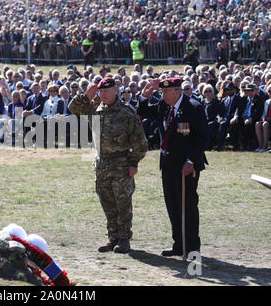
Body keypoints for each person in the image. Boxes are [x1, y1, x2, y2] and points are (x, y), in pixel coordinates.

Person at [68, 77, 148, 254]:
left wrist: (134, 163)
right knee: (107, 203)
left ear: (116, 90)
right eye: (101, 91)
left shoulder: (126, 112)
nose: (103, 94)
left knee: (123, 204)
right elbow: (73, 108)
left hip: (121, 164)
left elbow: (140, 142)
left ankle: (124, 239)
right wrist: (86, 95)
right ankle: (113, 238)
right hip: (102, 164)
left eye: (107, 91)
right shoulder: (95, 108)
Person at [140, 77, 208, 257]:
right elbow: (144, 110)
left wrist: (191, 160)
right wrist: (146, 94)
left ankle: (192, 247)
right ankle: (179, 244)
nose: (162, 95)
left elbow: (202, 137)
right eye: (161, 92)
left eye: (165, 92)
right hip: (168, 164)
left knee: (188, 205)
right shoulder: (164, 105)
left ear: (176, 91)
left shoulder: (194, 107)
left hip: (186, 165)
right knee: (173, 204)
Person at [255, 85, 271, 152]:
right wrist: (263, 118)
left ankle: (265, 146)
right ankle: (260, 145)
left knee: (265, 124)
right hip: (267, 120)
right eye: (269, 91)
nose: (270, 93)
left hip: (269, 121)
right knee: (258, 124)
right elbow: (264, 113)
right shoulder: (267, 102)